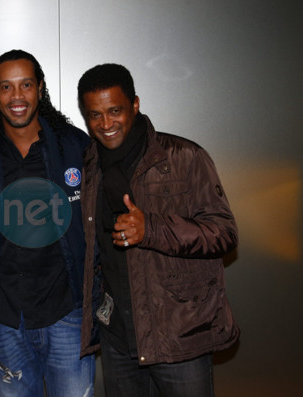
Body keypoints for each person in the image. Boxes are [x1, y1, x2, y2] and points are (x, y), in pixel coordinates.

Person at [77, 63, 240, 397]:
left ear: (135, 105)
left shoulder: (183, 156)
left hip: (178, 336)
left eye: (115, 111)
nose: (105, 124)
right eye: (94, 115)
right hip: (118, 339)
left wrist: (150, 228)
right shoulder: (90, 165)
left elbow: (224, 233)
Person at [0, 49, 97, 397]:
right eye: (6, 87)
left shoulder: (75, 146)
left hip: (67, 313)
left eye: (25, 85)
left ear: (40, 88)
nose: (17, 97)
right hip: (6, 317)